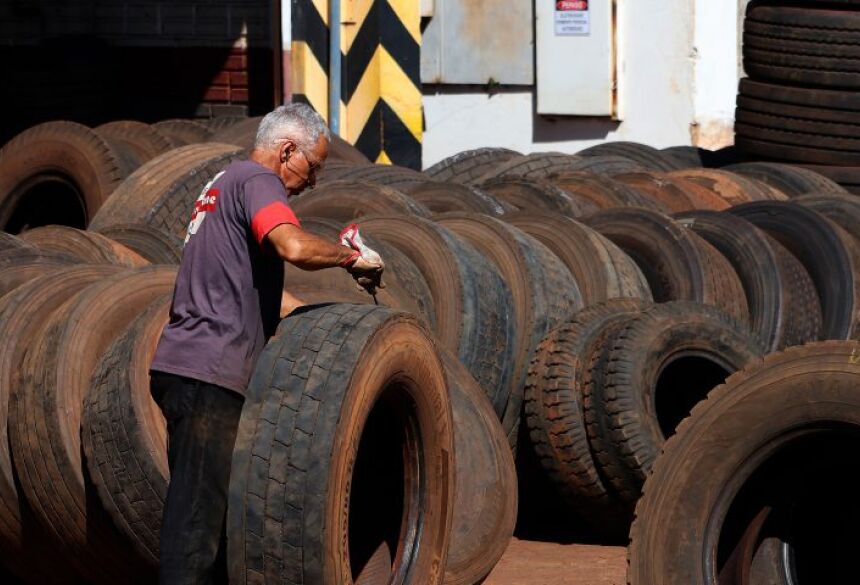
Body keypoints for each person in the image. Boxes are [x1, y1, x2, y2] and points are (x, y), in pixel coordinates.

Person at [148, 103, 383, 584]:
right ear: (286, 150)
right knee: (195, 534)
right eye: (312, 167)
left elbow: (246, 286)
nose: (312, 182)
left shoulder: (221, 184)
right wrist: (349, 258)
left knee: (209, 522)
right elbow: (292, 246)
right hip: (209, 373)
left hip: (186, 365)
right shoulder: (259, 182)